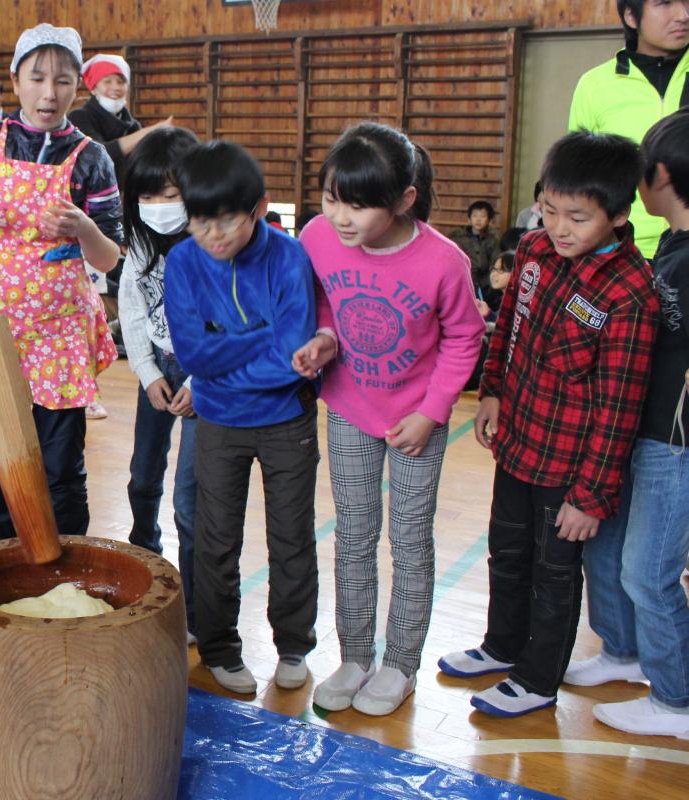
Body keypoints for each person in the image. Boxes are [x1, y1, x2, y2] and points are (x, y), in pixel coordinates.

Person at [438, 131, 660, 718]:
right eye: (551, 209)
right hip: (519, 440)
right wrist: (492, 393)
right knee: (506, 552)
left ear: (617, 214)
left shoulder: (630, 295)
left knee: (554, 575)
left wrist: (590, 496)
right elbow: (510, 323)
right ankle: (501, 646)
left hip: (571, 466)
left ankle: (537, 681)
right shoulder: (536, 250)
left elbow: (619, 409)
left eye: (577, 217)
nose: (559, 227)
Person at [294, 122, 485, 716]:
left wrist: (432, 413)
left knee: (409, 541)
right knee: (352, 535)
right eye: (331, 198)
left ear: (404, 200)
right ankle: (354, 656)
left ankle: (400, 664)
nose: (341, 217)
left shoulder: (443, 260)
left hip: (414, 423)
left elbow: (465, 337)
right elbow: (322, 295)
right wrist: (325, 338)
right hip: (350, 409)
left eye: (358, 205)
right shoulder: (318, 237)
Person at [0, 23, 122, 543]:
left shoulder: (91, 157)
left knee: (62, 472)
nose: (49, 92)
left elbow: (109, 257)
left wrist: (83, 227)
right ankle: (2, 569)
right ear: (16, 80)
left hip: (58, 332)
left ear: (76, 87)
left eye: (63, 81)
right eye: (37, 78)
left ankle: (68, 576)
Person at [163, 140, 319, 696]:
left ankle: (294, 644)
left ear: (260, 207)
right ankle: (221, 647)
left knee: (292, 537)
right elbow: (194, 357)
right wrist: (258, 338)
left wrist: (225, 351)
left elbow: (294, 358)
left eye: (228, 220)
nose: (215, 236)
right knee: (214, 537)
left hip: (286, 422)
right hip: (218, 424)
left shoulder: (289, 256)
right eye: (201, 223)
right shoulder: (182, 262)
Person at [570, 108, 689, 739]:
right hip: (633, 432)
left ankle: (677, 701)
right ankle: (623, 652)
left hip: (675, 443)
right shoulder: (669, 242)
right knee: (608, 551)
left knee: (649, 571)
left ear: (660, 175)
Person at [117, 126, 200, 642]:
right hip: (159, 371)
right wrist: (148, 373)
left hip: (203, 379)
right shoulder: (142, 243)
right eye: (149, 195)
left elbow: (223, 326)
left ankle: (194, 596)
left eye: (171, 195)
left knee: (191, 497)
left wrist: (200, 382)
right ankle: (145, 556)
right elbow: (131, 307)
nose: (160, 205)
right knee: (143, 475)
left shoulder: (208, 245)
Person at [568, 0, 689, 259]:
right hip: (621, 252)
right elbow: (577, 178)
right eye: (665, 3)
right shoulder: (594, 85)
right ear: (631, 16)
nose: (683, 14)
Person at [67, 53, 172, 196]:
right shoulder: (79, 117)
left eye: (121, 81)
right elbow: (99, 153)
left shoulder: (133, 125)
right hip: (90, 201)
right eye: (107, 81)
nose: (115, 87)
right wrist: (150, 131)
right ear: (93, 87)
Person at [447, 200, 500, 291]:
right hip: (462, 280)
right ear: (469, 219)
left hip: (485, 284)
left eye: (483, 216)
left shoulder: (493, 239)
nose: (478, 219)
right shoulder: (458, 237)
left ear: (489, 220)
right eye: (475, 216)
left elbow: (495, 263)